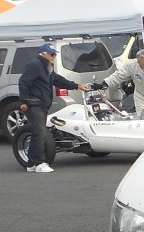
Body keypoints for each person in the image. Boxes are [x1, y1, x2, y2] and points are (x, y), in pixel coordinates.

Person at [18, 43, 90, 173]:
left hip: (41, 104)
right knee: (40, 133)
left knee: (39, 133)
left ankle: (31, 163)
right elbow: (23, 82)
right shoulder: (35, 65)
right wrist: (24, 101)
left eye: (55, 54)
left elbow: (58, 80)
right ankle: (39, 163)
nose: (54, 57)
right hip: (34, 104)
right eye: (52, 54)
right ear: (43, 54)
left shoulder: (47, 66)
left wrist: (76, 86)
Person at [101, 49, 144, 116]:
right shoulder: (131, 65)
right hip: (140, 97)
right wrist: (105, 83)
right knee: (142, 117)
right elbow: (119, 75)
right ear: (139, 62)